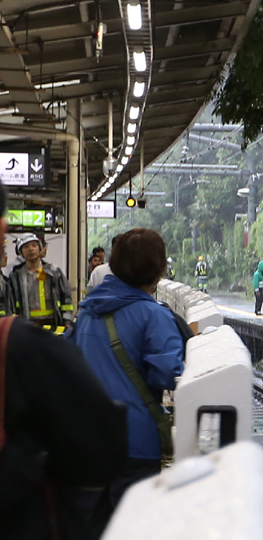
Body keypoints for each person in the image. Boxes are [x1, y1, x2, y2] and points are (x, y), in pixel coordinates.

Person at [0, 183, 126, 540]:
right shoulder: (20, 349)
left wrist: (65, 323)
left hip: (48, 328)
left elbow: (65, 301)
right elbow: (100, 445)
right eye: (23, 246)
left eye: (33, 247)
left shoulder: (52, 275)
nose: (29, 252)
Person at [69, 227, 186, 525]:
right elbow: (166, 373)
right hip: (136, 444)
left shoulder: (88, 312)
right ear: (159, 270)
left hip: (87, 442)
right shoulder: (154, 316)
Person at [8, 234, 73, 330]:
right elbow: (11, 302)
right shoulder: (16, 276)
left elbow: (66, 299)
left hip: (53, 323)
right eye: (26, 247)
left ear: (40, 249)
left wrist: (67, 321)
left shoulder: (54, 272)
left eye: (34, 245)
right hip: (27, 325)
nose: (31, 249)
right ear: (21, 252)